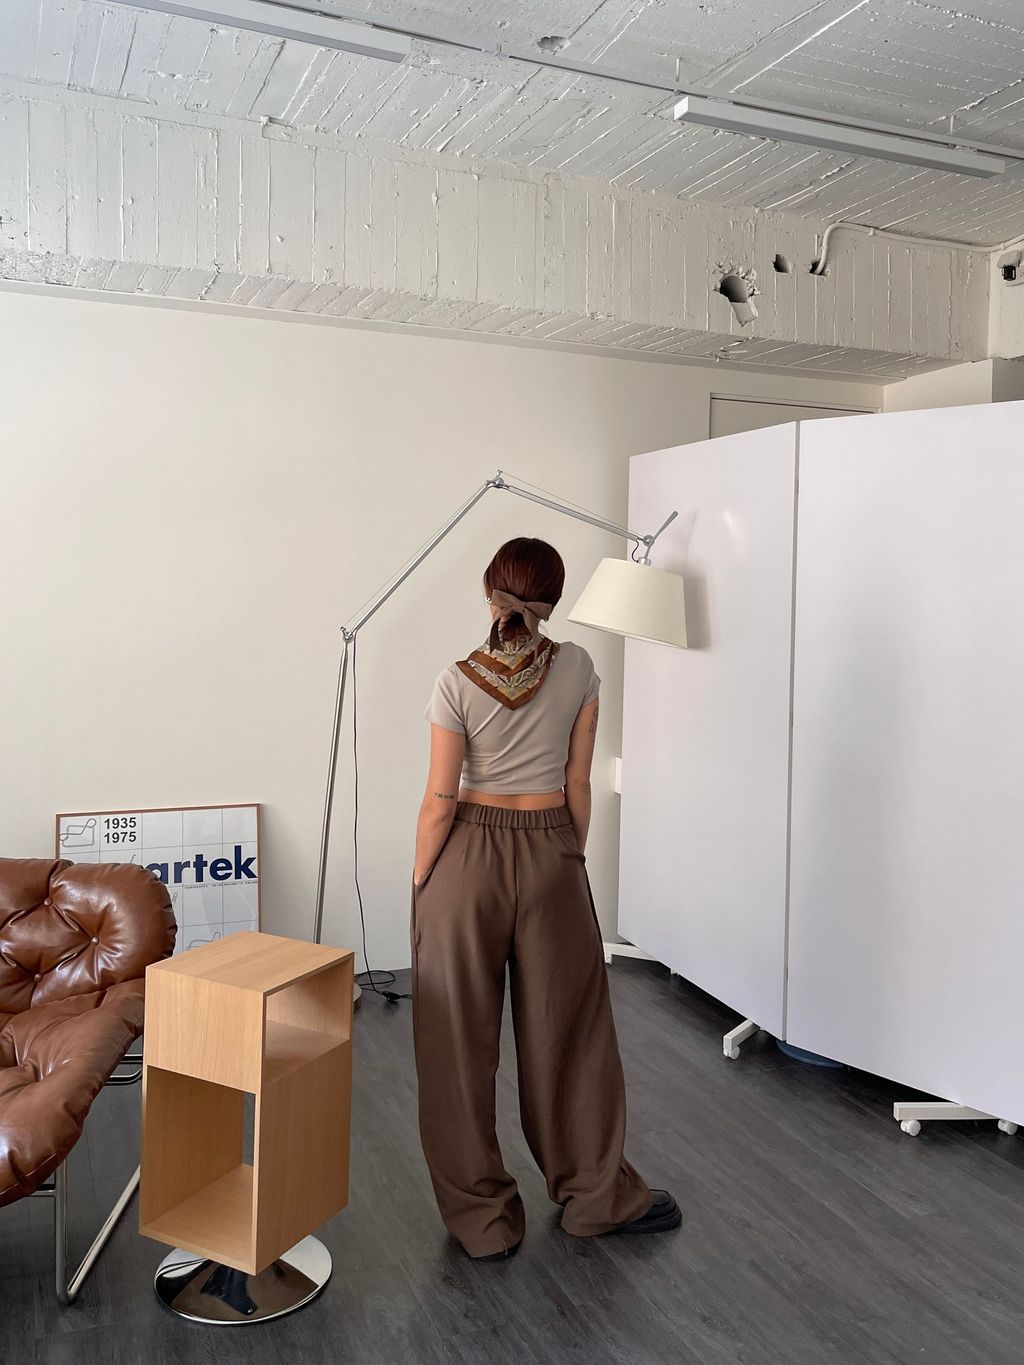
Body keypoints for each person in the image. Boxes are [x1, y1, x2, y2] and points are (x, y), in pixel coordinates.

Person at [411, 535, 680, 1261]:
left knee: (455, 1040)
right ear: (553, 601)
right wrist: (566, 855)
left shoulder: (455, 680)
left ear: (489, 593)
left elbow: (441, 798)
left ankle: (484, 1221)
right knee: (570, 1031)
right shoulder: (581, 667)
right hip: (552, 852)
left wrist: (422, 878)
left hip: (465, 859)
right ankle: (595, 1196)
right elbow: (578, 782)